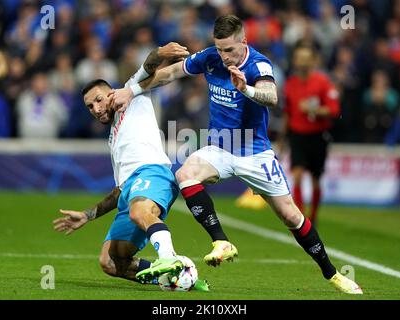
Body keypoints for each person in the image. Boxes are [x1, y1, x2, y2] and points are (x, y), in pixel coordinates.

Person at [110, 15, 362, 294]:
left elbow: (271, 96)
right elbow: (169, 73)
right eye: (219, 49)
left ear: (244, 41)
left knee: (291, 216)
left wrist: (246, 89)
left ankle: (332, 274)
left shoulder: (258, 64)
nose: (224, 56)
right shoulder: (210, 58)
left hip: (255, 153)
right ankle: (221, 241)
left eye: (229, 50)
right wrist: (130, 91)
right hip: (220, 146)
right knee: (184, 174)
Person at [53, 43, 192, 284]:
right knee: (110, 261)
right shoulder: (113, 139)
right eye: (90, 106)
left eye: (98, 100)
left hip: (153, 173)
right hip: (131, 189)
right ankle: (177, 278)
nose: (96, 109)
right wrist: (88, 215)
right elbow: (120, 190)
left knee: (140, 212)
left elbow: (147, 66)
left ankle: (169, 257)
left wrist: (159, 53)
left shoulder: (130, 93)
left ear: (111, 93)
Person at [281, 42, 340, 225]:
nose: (302, 62)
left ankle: (313, 216)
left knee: (315, 180)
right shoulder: (290, 84)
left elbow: (334, 110)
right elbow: (287, 113)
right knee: (297, 175)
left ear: (313, 61)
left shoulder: (323, 82)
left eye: (306, 58)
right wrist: (282, 139)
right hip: (297, 135)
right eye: (299, 58)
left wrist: (313, 109)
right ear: (295, 61)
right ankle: (300, 219)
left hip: (317, 136)